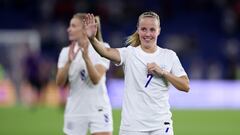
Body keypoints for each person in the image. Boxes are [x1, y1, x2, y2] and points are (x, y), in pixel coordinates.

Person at [85, 11, 190, 135]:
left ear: (159, 31)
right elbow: (105, 51)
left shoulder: (169, 55)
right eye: (144, 29)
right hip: (132, 127)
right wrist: (92, 39)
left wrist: (163, 72)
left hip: (161, 125)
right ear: (138, 30)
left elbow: (185, 86)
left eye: (152, 29)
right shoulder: (129, 53)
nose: (148, 34)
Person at [56, 13, 113, 135]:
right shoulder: (65, 52)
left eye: (73, 26)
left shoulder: (102, 49)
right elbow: (60, 83)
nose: (69, 29)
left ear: (84, 29)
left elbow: (95, 80)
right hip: (75, 110)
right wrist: (68, 63)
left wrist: (86, 57)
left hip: (98, 109)